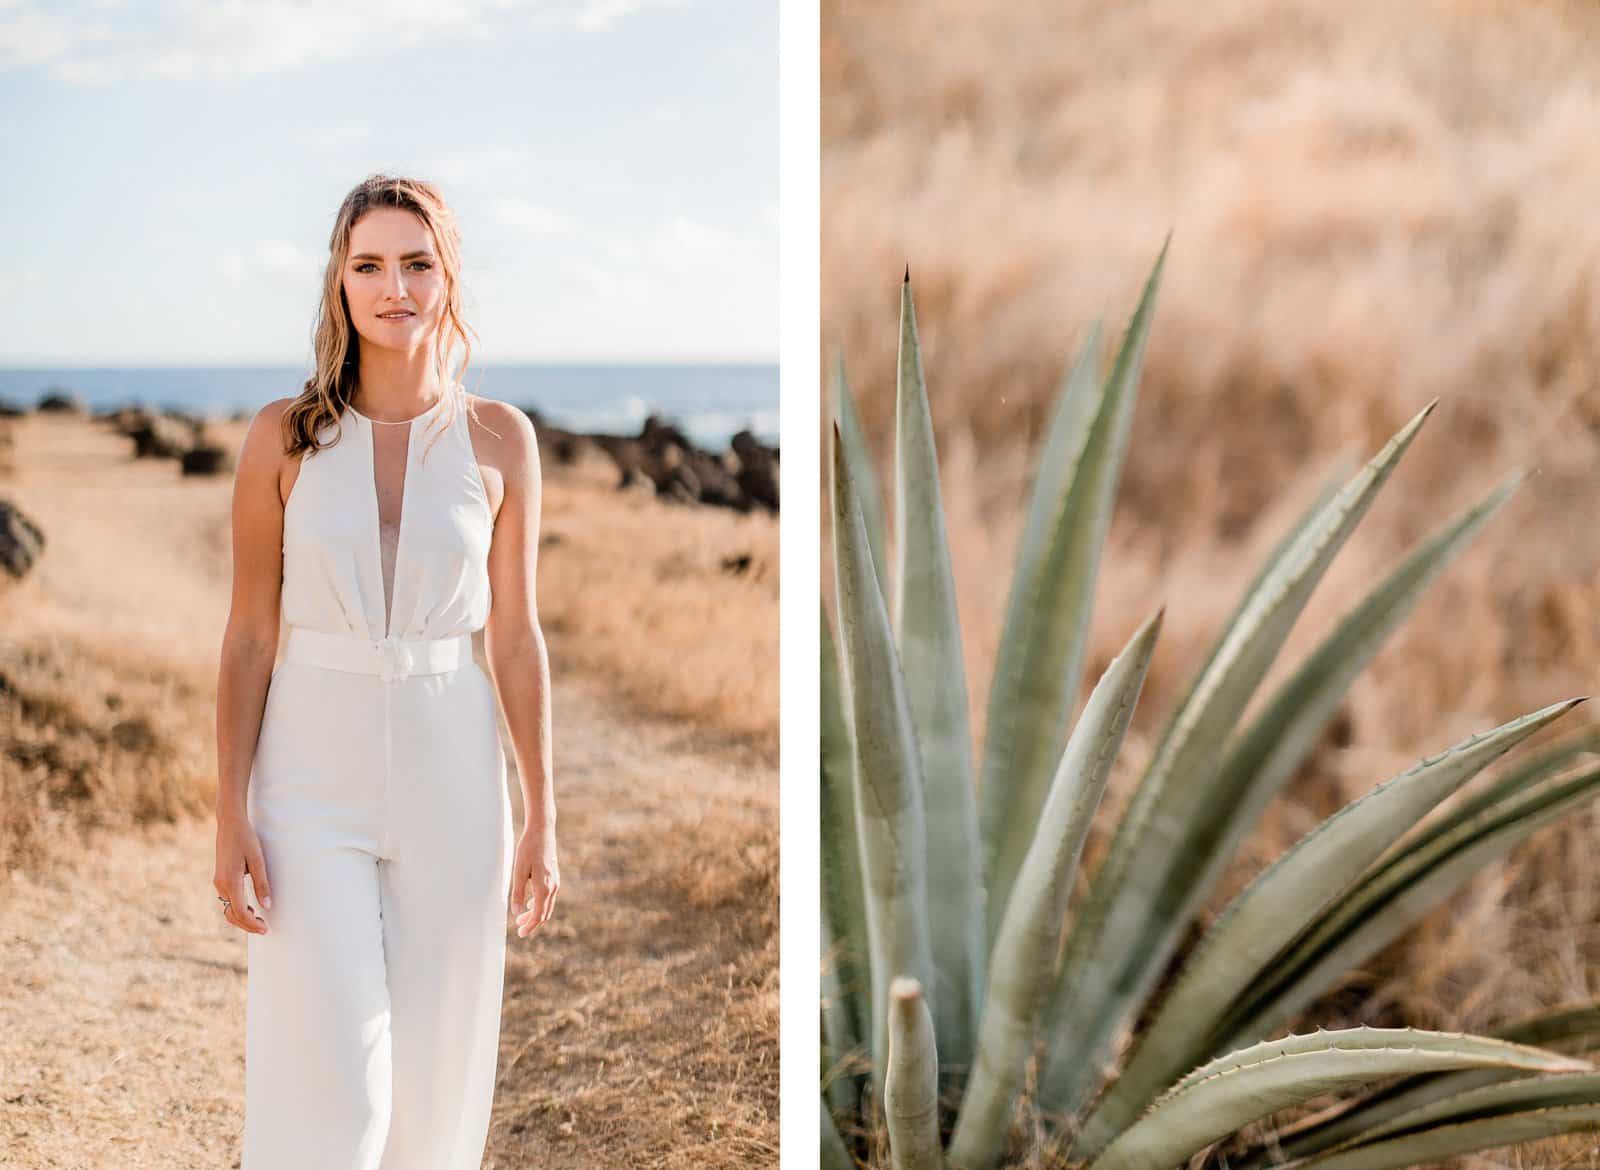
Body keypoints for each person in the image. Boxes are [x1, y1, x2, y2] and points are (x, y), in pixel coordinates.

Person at [212, 173, 559, 1169]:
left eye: (416, 262)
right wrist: (230, 806)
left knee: (432, 1095)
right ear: (339, 282)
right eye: (368, 264)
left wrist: (542, 811)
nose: (392, 286)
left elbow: (515, 637)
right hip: (306, 781)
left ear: (447, 277)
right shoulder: (281, 436)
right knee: (339, 1094)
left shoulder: (502, 441)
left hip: (455, 777)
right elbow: (247, 636)